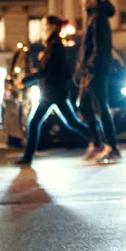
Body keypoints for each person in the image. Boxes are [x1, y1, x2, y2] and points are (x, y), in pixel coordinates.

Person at [13, 15, 92, 167]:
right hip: (53, 91)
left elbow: (45, 70)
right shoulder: (52, 45)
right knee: (71, 122)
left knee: (35, 123)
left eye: (46, 26)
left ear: (53, 27)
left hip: (52, 91)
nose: (44, 30)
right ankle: (98, 140)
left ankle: (27, 157)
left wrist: (24, 81)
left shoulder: (54, 45)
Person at [73, 0, 121, 165]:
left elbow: (101, 48)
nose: (81, 1)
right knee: (83, 106)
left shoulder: (99, 18)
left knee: (102, 107)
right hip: (89, 71)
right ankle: (98, 143)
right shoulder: (93, 17)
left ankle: (112, 147)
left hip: (96, 71)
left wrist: (90, 69)